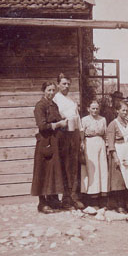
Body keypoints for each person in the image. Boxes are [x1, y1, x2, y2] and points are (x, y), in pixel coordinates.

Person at [31, 81, 67, 214]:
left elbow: (55, 120)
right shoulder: (40, 106)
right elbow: (42, 126)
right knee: (43, 170)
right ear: (43, 90)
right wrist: (58, 124)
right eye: (49, 90)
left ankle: (53, 199)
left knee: (53, 170)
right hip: (45, 141)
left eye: (53, 90)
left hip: (54, 142)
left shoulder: (54, 105)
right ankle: (42, 203)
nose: (51, 93)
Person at [53, 73, 85, 209]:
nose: (66, 86)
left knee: (74, 166)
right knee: (65, 166)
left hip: (75, 134)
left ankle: (73, 196)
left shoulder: (71, 100)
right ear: (58, 84)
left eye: (68, 84)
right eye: (64, 83)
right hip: (64, 135)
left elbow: (77, 118)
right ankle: (66, 199)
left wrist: (81, 138)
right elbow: (56, 118)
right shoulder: (55, 100)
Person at [80, 100, 109, 207]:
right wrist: (82, 147)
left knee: (102, 169)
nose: (95, 110)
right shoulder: (84, 120)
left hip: (100, 144)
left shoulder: (103, 119)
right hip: (89, 144)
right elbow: (81, 136)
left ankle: (102, 195)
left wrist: (106, 147)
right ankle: (92, 197)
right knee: (92, 170)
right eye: (93, 108)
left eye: (97, 108)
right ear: (88, 109)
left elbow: (105, 134)